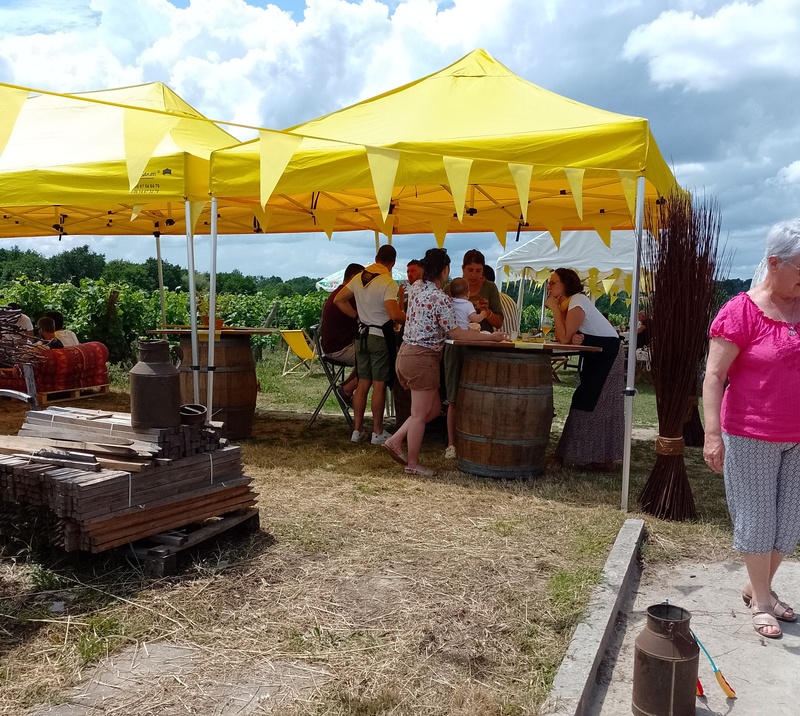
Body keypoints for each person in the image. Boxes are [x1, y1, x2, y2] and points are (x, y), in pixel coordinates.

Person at [702, 219, 800, 639]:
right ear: (775, 263)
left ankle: (755, 585)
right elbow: (713, 376)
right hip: (750, 432)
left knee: (790, 522)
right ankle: (762, 599)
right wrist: (711, 435)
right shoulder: (741, 311)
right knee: (757, 520)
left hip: (797, 435)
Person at [382, 248, 506, 475]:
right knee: (420, 414)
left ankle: (396, 439)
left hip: (406, 355)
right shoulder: (440, 298)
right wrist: (491, 336)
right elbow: (456, 333)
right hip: (422, 358)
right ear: (446, 270)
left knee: (433, 409)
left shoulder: (416, 286)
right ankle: (412, 463)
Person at [545, 268, 624, 471]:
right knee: (590, 403)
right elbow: (568, 336)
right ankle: (596, 458)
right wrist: (575, 336)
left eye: (553, 282)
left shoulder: (577, 301)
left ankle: (600, 459)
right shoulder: (571, 303)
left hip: (608, 355)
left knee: (595, 404)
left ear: (566, 284)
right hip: (598, 354)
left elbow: (562, 338)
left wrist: (554, 309)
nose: (549, 286)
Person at [335, 245, 405, 445]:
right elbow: (393, 314)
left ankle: (357, 431)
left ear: (376, 258)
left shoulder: (359, 278)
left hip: (361, 336)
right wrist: (409, 317)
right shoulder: (387, 282)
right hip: (379, 337)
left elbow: (339, 299)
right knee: (379, 385)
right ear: (392, 263)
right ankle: (377, 432)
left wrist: (356, 316)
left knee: (362, 383)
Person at [442, 249, 504, 459]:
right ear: (463, 269)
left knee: (479, 395)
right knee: (453, 396)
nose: (474, 274)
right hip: (457, 346)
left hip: (480, 347)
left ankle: (476, 438)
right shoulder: (452, 289)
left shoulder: (490, 288)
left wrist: (488, 311)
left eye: (478, 270)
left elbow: (498, 322)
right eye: (470, 270)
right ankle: (452, 443)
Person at [320, 263, 364, 405]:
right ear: (353, 278)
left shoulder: (339, 293)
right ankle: (346, 390)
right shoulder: (348, 297)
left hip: (333, 346)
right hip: (338, 349)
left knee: (368, 357)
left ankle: (345, 386)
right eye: (361, 280)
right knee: (377, 363)